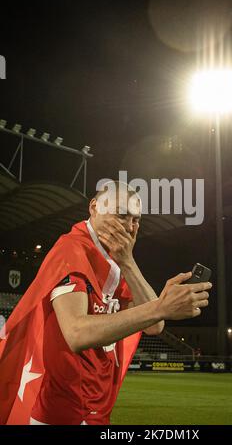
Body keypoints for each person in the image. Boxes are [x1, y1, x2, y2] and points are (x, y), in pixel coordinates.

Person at [0, 181, 212, 425]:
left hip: (97, 406)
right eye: (122, 215)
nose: (130, 227)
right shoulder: (72, 249)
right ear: (94, 207)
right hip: (65, 411)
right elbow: (76, 333)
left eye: (136, 220)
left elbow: (154, 326)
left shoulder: (115, 259)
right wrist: (161, 306)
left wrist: (128, 263)